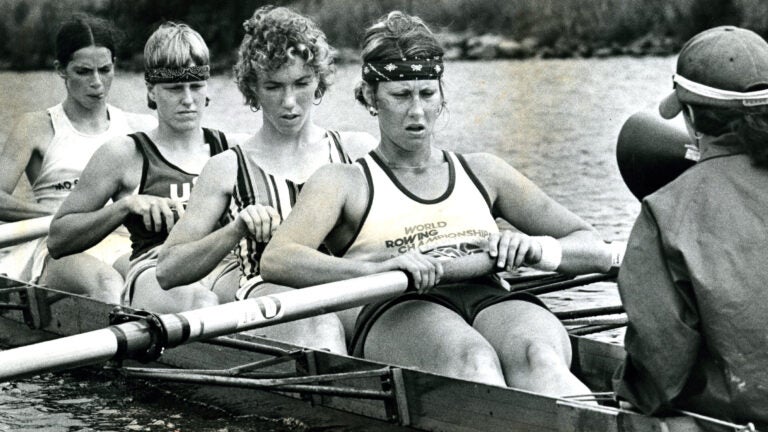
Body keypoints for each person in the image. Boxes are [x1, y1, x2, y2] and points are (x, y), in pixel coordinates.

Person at [259, 11, 615, 397]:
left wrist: (535, 248)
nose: (416, 111)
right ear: (370, 97)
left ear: (441, 94)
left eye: (426, 93)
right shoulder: (344, 182)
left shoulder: (485, 171)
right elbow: (278, 259)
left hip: (489, 296)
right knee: (473, 361)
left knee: (540, 358)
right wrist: (377, 267)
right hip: (397, 307)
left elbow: (594, 249)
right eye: (400, 95)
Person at [156, 6, 375, 351]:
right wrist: (236, 228)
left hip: (345, 283)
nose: (290, 103)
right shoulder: (227, 168)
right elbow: (167, 271)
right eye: (273, 86)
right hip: (261, 289)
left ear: (318, 80)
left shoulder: (356, 150)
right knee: (321, 328)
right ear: (252, 88)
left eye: (301, 83)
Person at [613, 26, 768, 427]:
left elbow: (659, 368)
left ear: (692, 116)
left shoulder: (665, 211)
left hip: (742, 414)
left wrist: (631, 393)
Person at [47, 22, 231, 312]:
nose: (187, 100)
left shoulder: (229, 148)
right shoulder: (123, 154)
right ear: (152, 91)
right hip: (155, 272)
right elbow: (57, 240)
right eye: (173, 89)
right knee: (203, 302)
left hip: (222, 265)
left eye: (195, 86)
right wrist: (126, 206)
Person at [0, 14, 155, 298]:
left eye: (104, 70)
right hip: (58, 245)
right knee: (108, 284)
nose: (97, 82)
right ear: (61, 70)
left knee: (151, 282)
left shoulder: (137, 127)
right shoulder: (35, 127)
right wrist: (62, 218)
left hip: (120, 243)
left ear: (114, 66)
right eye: (83, 72)